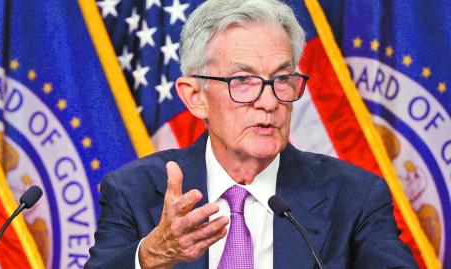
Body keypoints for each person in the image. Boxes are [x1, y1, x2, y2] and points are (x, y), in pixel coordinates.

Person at [85, 0, 418, 268]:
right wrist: (151, 256)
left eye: (282, 79)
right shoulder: (134, 190)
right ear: (195, 97)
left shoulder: (354, 196)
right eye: (242, 80)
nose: (270, 102)